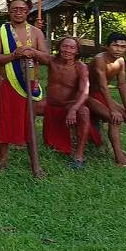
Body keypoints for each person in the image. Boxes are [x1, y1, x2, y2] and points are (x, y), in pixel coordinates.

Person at [0, 0, 47, 172]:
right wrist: (14, 55)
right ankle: (3, 160)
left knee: (29, 120)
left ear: (28, 11)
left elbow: (46, 58)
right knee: (6, 119)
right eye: (14, 9)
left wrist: (32, 52)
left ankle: (35, 163)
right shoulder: (1, 32)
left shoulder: (36, 33)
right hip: (7, 82)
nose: (18, 12)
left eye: (22, 9)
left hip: (30, 83)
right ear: (9, 11)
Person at [27, 37, 92, 169]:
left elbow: (84, 91)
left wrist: (74, 109)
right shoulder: (52, 61)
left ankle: (79, 156)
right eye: (65, 46)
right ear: (59, 47)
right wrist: (25, 47)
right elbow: (32, 52)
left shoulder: (81, 67)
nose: (67, 50)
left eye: (72, 48)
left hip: (69, 104)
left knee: (84, 112)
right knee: (30, 108)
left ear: (77, 51)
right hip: (50, 103)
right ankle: (26, 142)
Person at [88, 33, 126, 166]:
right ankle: (120, 159)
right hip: (87, 95)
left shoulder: (121, 61)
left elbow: (122, 85)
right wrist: (113, 110)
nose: (119, 49)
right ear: (107, 47)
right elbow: (102, 86)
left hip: (101, 95)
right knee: (115, 119)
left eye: (122, 46)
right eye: (115, 45)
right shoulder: (99, 59)